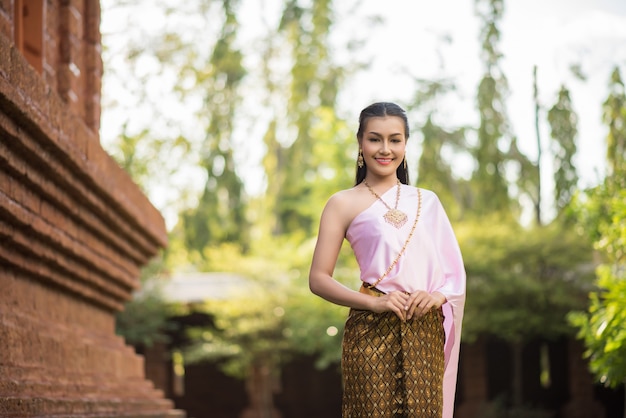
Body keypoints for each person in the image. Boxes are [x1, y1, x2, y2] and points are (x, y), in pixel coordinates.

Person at [309, 102, 465, 418]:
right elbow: (318, 279)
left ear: (405, 144)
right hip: (370, 329)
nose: (385, 149)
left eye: (395, 139)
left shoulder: (427, 201)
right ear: (360, 142)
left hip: (423, 327)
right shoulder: (342, 203)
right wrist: (374, 304)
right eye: (375, 138)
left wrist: (434, 296)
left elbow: (453, 275)